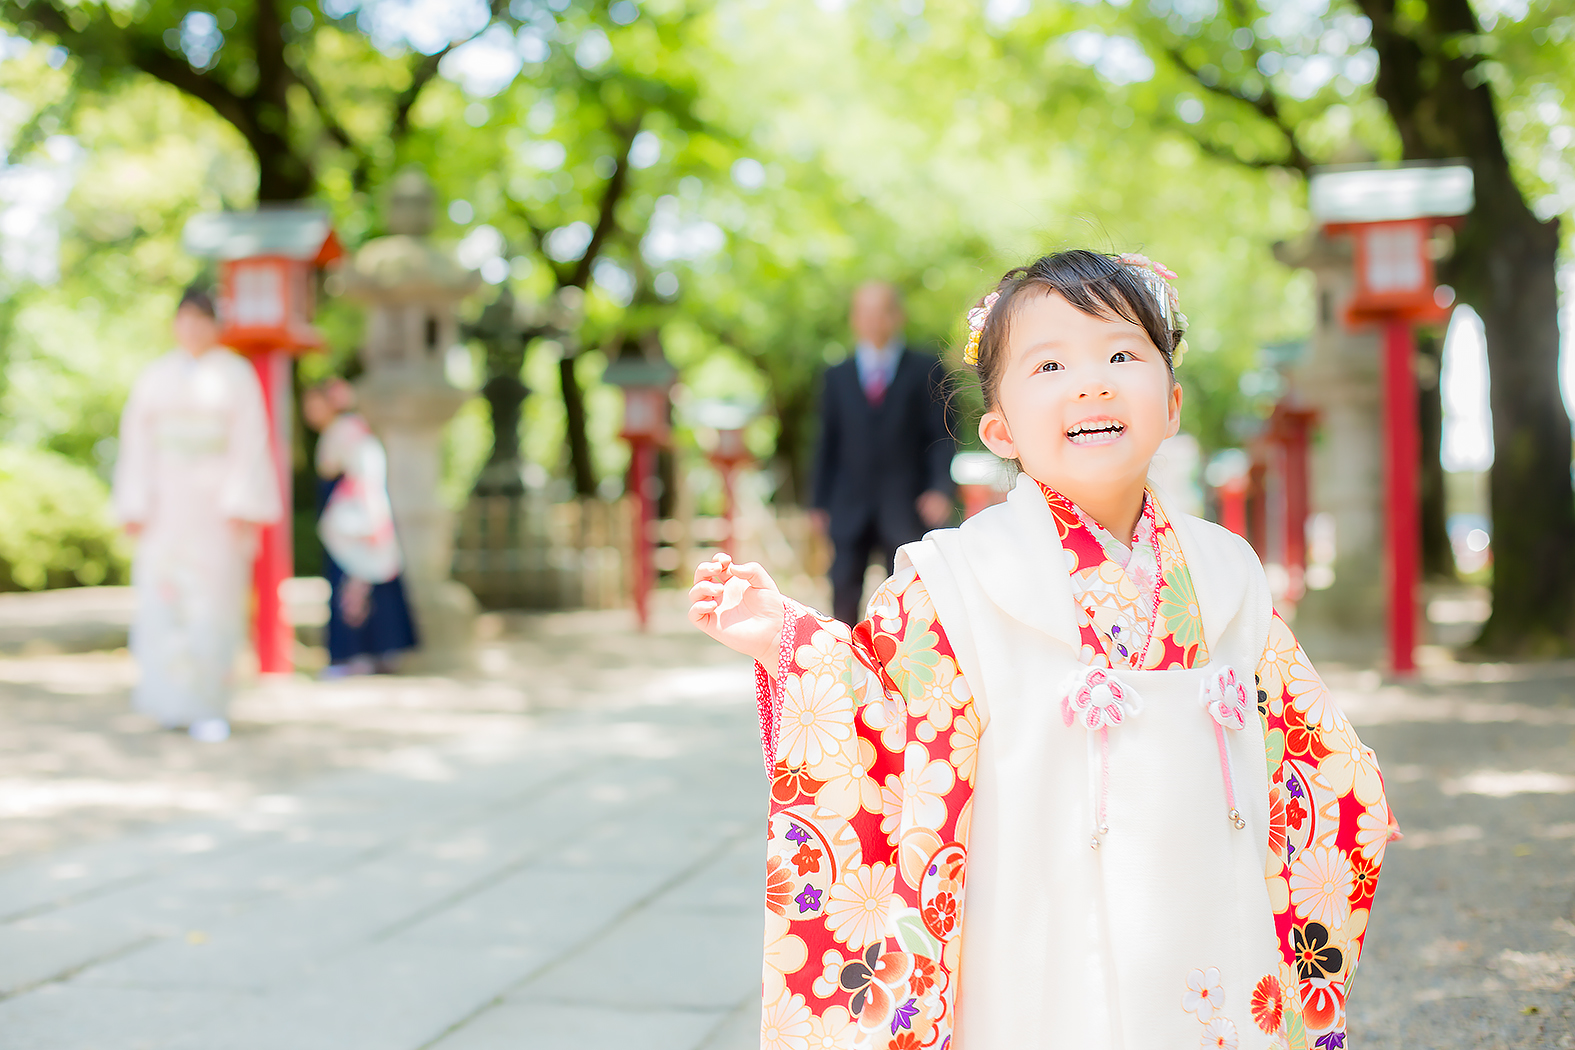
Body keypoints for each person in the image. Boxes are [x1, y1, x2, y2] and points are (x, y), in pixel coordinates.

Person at [690, 251, 1394, 1049]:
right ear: (999, 428)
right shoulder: (954, 579)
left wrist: (1347, 794)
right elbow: (880, 722)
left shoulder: (1227, 571)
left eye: (1121, 355)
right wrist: (784, 639)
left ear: (1170, 402)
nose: (1090, 382)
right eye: (1049, 362)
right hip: (1032, 933)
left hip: (1203, 921)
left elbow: (1303, 749)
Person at [112, 285, 281, 742]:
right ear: (174, 325)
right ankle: (168, 701)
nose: (192, 328)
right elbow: (136, 445)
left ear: (215, 327)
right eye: (184, 319)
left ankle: (209, 703)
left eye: (201, 319)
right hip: (166, 501)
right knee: (164, 600)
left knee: (214, 603)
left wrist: (242, 503)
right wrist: (134, 502)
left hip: (214, 505)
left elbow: (250, 443)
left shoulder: (235, 375)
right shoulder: (154, 376)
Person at [812, 281, 956, 625]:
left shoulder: (928, 370)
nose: (872, 321)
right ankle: (845, 663)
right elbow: (825, 443)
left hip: (907, 502)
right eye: (864, 312)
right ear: (853, 319)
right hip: (848, 503)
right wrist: (817, 503)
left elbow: (943, 434)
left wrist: (941, 488)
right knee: (843, 587)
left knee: (911, 594)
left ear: (897, 316)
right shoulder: (837, 376)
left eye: (881, 312)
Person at [301, 378, 417, 677]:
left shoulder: (345, 432)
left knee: (352, 586)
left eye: (315, 402)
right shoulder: (352, 430)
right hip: (357, 515)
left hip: (354, 518)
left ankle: (354, 655)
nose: (309, 410)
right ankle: (377, 652)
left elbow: (350, 474)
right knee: (368, 585)